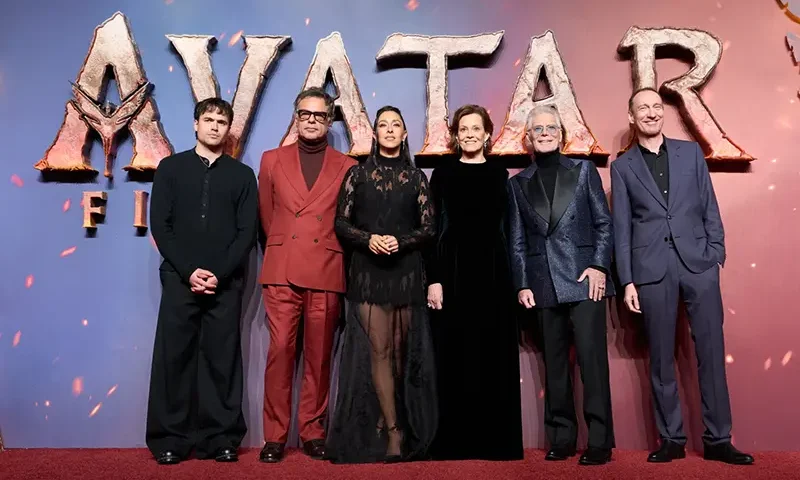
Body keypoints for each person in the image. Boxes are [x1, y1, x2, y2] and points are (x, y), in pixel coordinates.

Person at [611, 87, 754, 465]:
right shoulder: (622, 166)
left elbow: (710, 207)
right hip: (651, 269)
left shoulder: (691, 153)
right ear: (632, 117)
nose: (651, 113)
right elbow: (621, 228)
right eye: (643, 108)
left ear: (663, 113)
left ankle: (719, 439)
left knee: (710, 353)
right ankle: (671, 438)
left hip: (698, 265)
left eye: (656, 107)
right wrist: (626, 280)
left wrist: (715, 254)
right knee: (660, 358)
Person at [146, 97, 257, 465]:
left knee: (222, 362)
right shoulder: (170, 168)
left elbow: (246, 232)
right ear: (195, 124)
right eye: (207, 119)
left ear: (228, 130)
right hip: (179, 279)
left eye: (221, 122)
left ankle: (220, 439)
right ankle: (170, 440)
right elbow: (161, 225)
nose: (214, 126)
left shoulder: (242, 176)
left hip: (225, 283)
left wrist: (218, 274)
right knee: (173, 360)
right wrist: (189, 271)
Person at [326, 106, 438, 463]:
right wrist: (369, 238)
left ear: (404, 135)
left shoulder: (417, 178)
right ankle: (394, 432)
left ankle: (384, 417)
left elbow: (429, 228)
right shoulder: (356, 175)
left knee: (402, 354)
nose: (389, 130)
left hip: (405, 271)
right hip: (368, 272)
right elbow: (341, 224)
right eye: (383, 125)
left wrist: (399, 242)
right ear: (374, 134)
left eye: (396, 125)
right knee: (380, 351)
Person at [507, 105, 615, 465]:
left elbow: (604, 223)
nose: (545, 132)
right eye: (538, 128)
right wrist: (522, 283)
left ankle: (599, 441)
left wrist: (599, 266)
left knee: (592, 363)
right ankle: (562, 438)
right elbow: (517, 241)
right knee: (554, 366)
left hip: (586, 281)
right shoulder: (517, 184)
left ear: (562, 133)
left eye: (551, 127)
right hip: (542, 284)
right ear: (529, 137)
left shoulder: (584, 170)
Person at [257, 87, 357, 463]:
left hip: (326, 268)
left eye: (318, 115)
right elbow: (267, 217)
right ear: (295, 117)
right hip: (282, 269)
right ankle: (275, 436)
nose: (311, 120)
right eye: (305, 114)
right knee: (280, 352)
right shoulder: (270, 160)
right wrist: (284, 247)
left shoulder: (347, 165)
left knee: (318, 357)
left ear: (329, 121)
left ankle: (313, 432)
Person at [426, 104, 523, 461]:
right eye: (462, 129)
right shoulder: (444, 172)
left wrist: (514, 279)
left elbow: (508, 228)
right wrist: (434, 280)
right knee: (454, 355)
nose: (468, 134)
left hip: (494, 274)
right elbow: (434, 229)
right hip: (452, 272)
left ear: (487, 134)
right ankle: (454, 441)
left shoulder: (500, 173)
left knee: (492, 355)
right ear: (455, 135)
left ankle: (495, 442)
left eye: (475, 128)